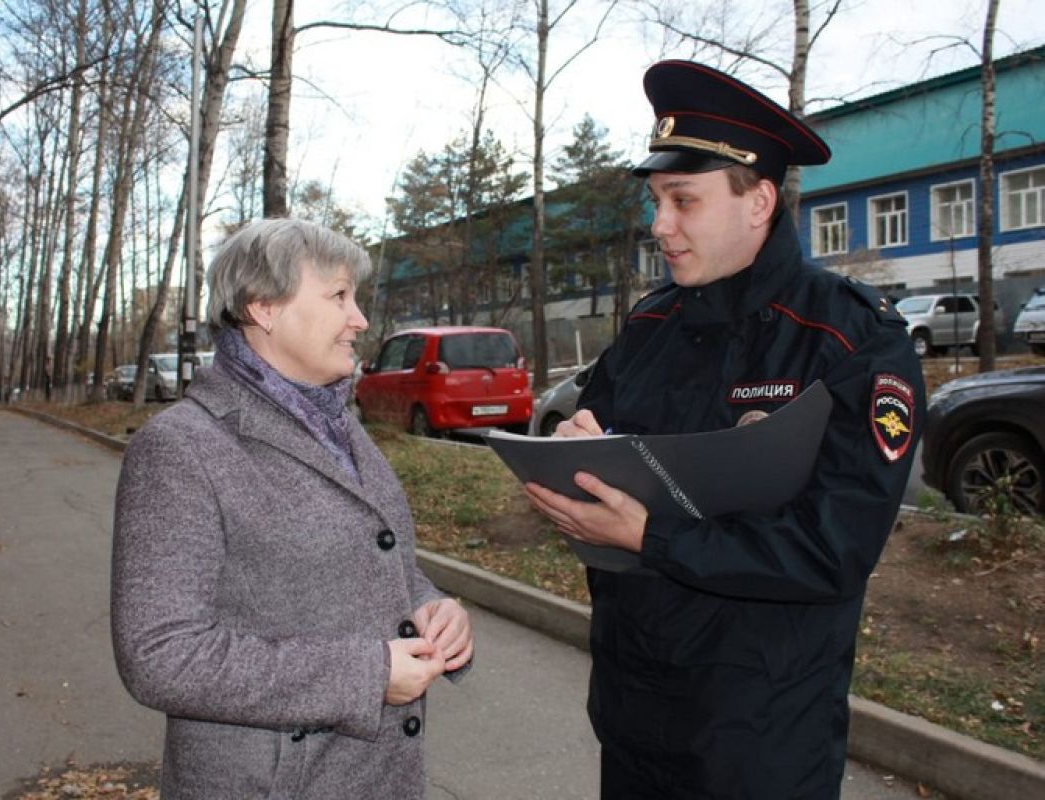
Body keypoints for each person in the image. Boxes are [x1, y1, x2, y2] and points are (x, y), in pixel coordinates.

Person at [525, 61, 924, 799]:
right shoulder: (649, 328)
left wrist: (650, 536)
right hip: (634, 713)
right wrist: (569, 461)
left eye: (683, 200)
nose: (660, 224)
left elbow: (835, 549)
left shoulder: (848, 340)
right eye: (655, 200)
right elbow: (600, 467)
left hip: (759, 737)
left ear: (758, 200)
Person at [111, 218, 473, 799]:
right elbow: (161, 655)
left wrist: (432, 607)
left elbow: (374, 560)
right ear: (263, 308)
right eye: (338, 296)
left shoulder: (335, 422)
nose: (359, 319)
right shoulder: (180, 448)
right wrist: (368, 675)